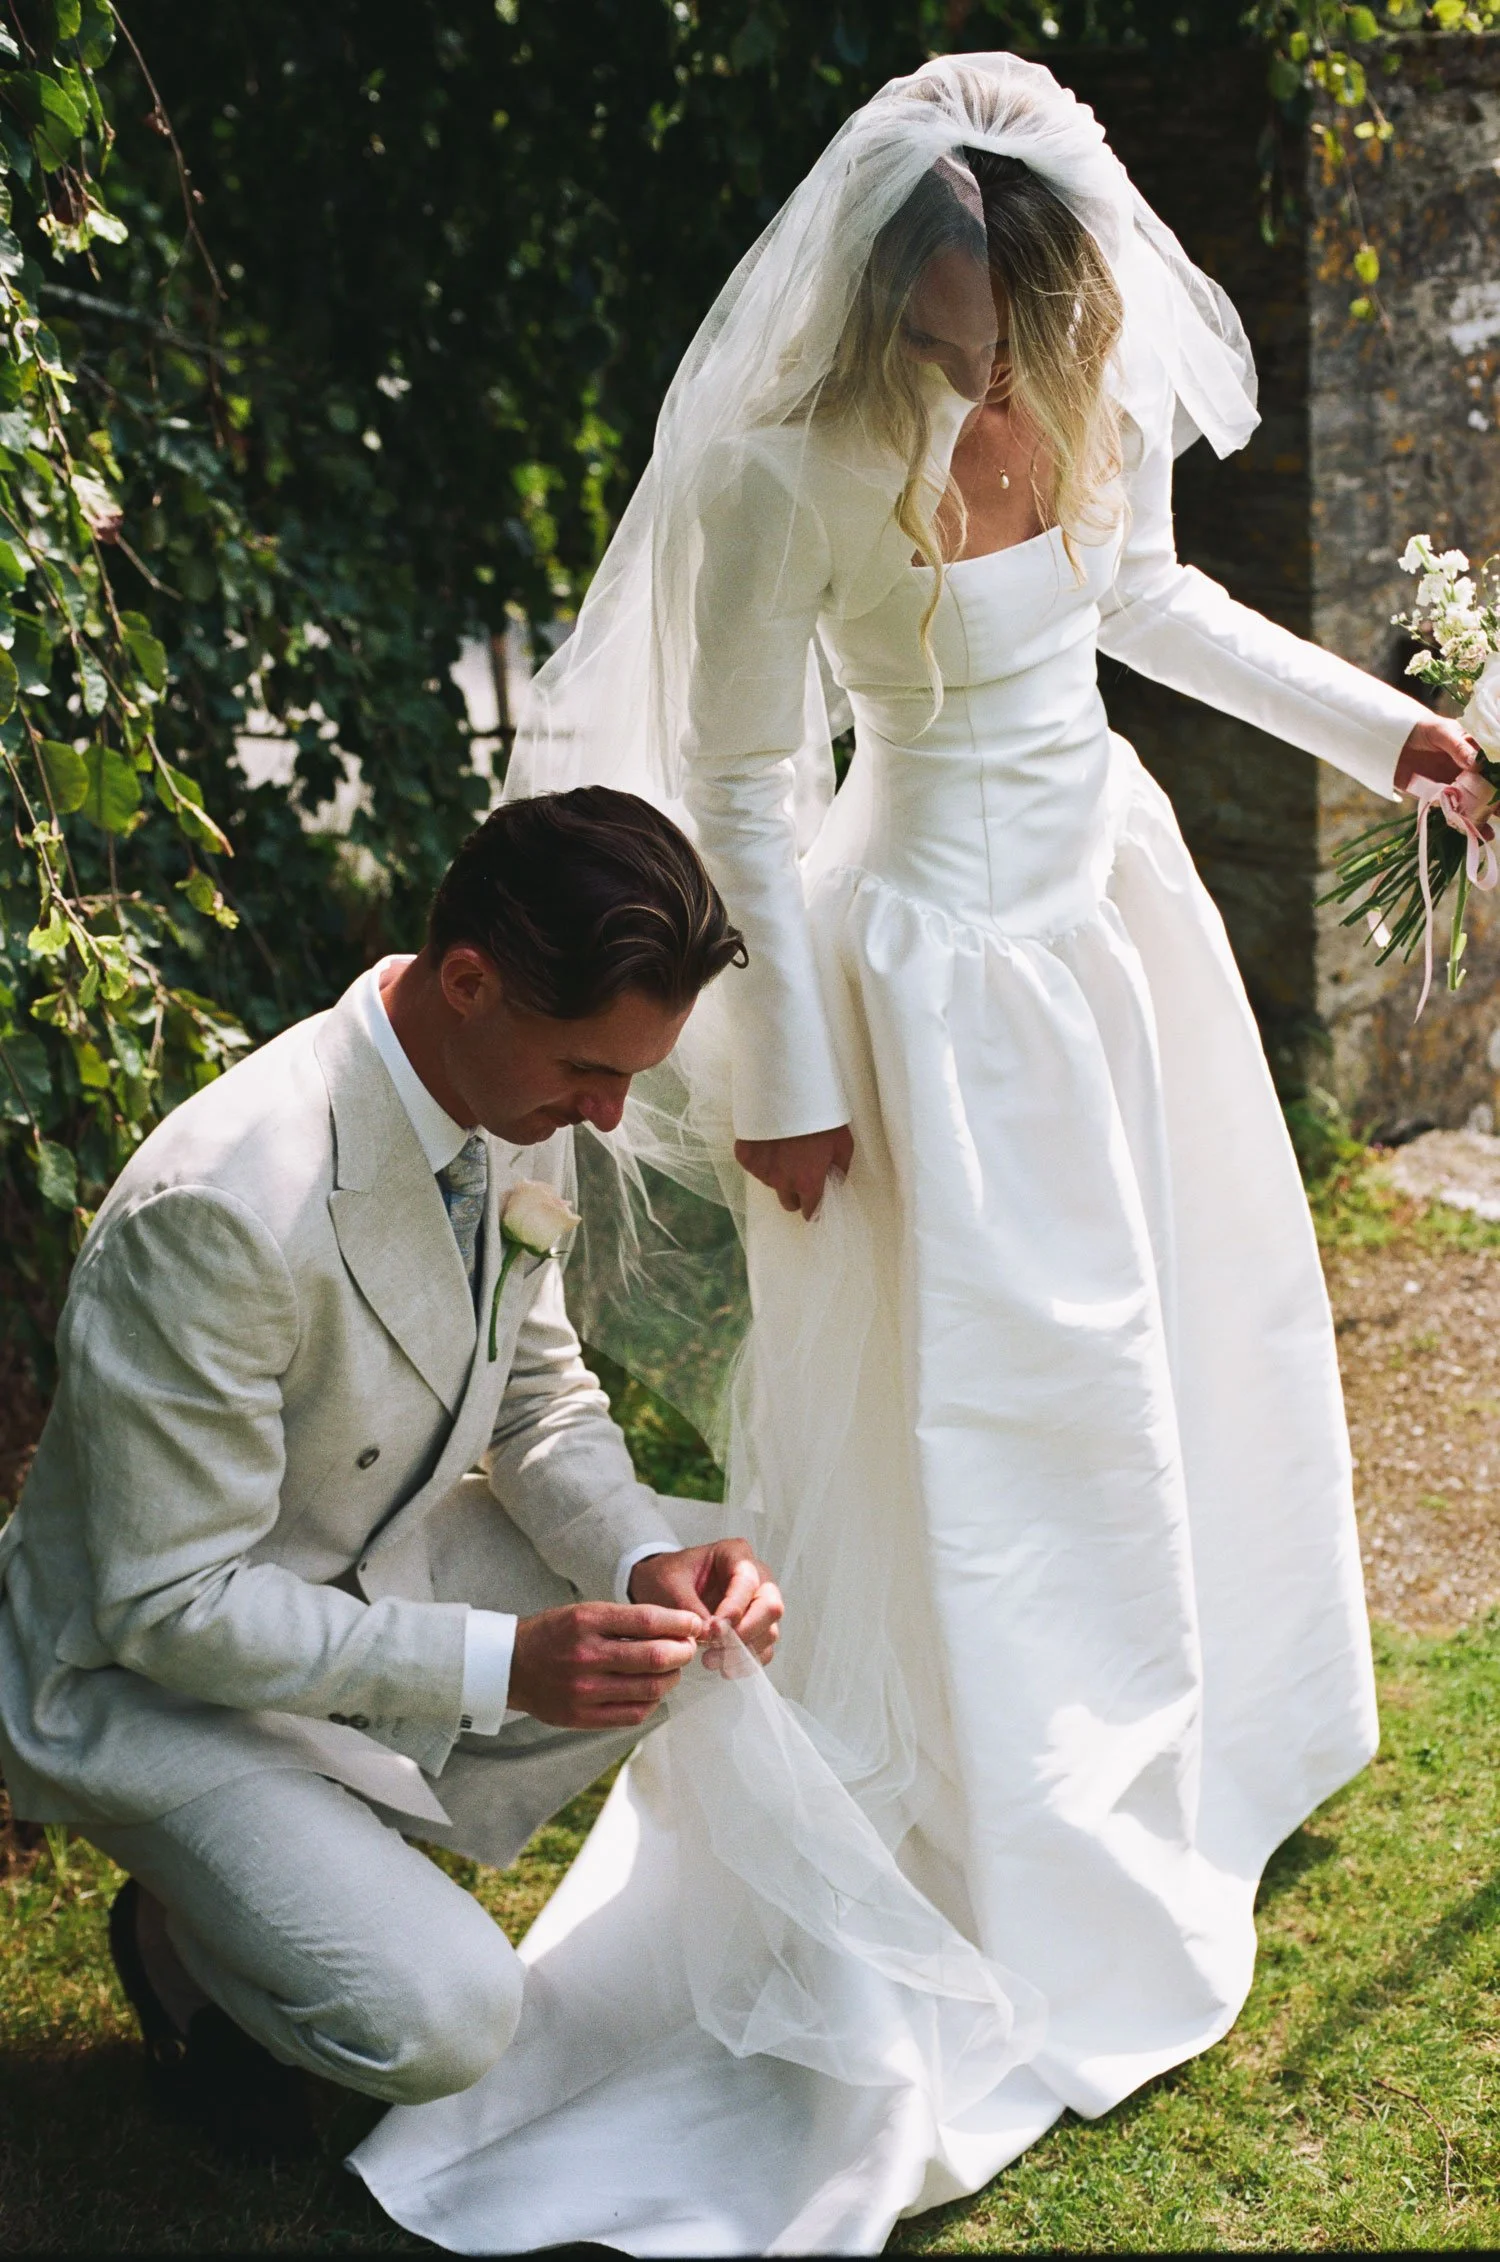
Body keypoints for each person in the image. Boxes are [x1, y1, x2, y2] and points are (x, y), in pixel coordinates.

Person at [349, 52, 1478, 2258]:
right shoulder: (782, 470)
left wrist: (1391, 732)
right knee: (967, 1410)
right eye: (954, 332)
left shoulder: (1088, 389)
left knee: (1164, 1349)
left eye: (1016, 329)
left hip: (1108, 928)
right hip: (924, 991)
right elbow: (738, 788)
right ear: (886, 300)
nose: (988, 372)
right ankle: (987, 1828)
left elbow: (1147, 607)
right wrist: (784, 1074)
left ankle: (1180, 1766)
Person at [0, 784, 781, 2161]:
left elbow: (534, 1392)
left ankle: (319, 1852)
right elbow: (168, 1606)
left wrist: (642, 1561)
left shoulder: (513, 1092)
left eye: (631, 1077)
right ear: (469, 982)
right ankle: (185, 1940)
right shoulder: (223, 1208)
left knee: (713, 1617)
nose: (609, 1117)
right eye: (592, 1072)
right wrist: (504, 1664)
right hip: (151, 1677)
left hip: (361, 1563)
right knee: (449, 2022)